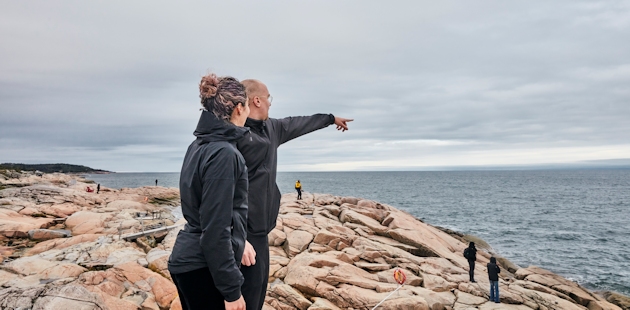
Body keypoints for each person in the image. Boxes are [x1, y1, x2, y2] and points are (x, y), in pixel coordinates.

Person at [236, 79, 353, 310]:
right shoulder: (236, 134)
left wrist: (330, 119)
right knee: (242, 296)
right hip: (242, 232)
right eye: (269, 97)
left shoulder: (273, 128)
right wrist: (236, 237)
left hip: (262, 231)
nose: (270, 102)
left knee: (257, 293)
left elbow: (300, 123)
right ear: (257, 100)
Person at [168, 73, 250, 310]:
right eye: (245, 107)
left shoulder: (198, 145)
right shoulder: (223, 153)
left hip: (190, 263)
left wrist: (241, 241)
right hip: (202, 268)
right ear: (238, 108)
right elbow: (215, 228)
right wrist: (232, 291)